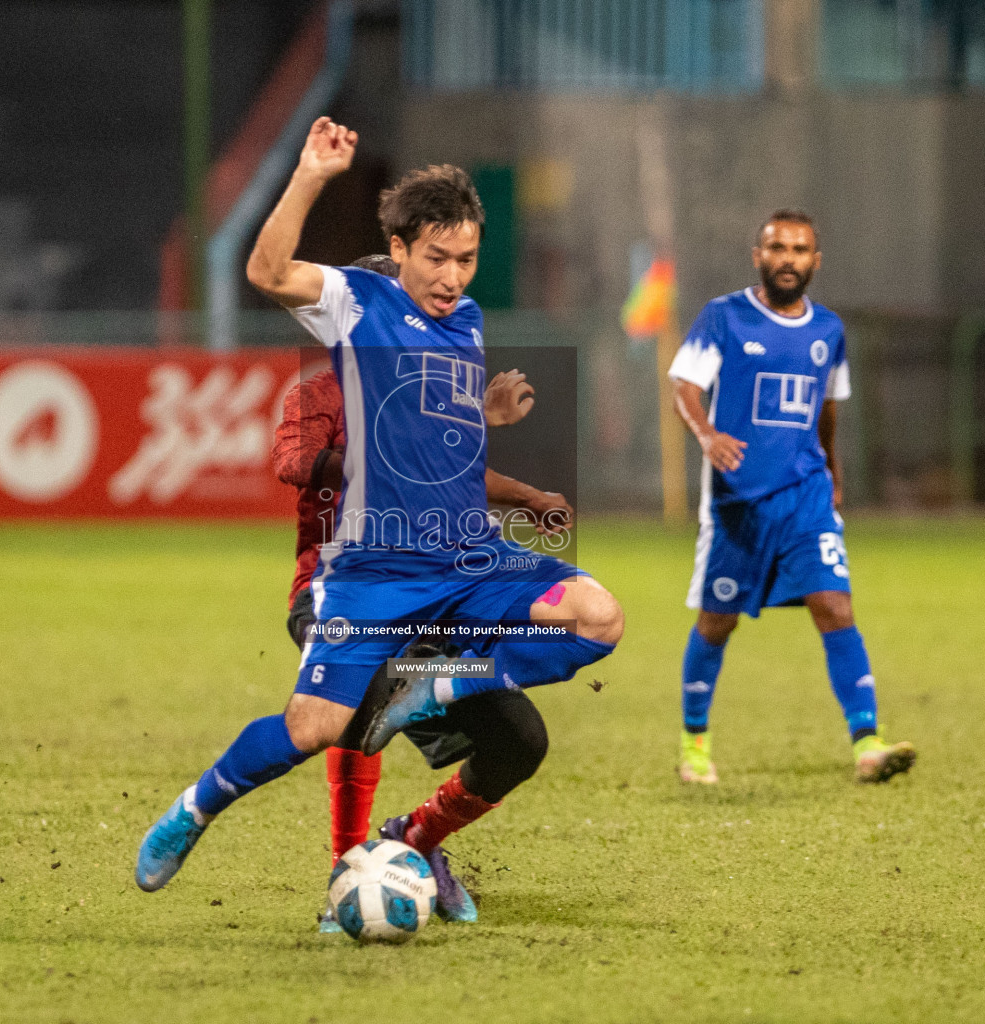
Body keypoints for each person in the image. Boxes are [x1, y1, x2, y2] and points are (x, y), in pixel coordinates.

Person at [135, 117, 623, 899]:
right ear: (398, 251)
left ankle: (430, 711)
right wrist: (310, 174)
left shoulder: (466, 323)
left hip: (469, 560)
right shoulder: (356, 303)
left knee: (599, 616)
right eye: (436, 258)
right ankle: (196, 808)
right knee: (315, 729)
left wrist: (491, 437)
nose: (453, 276)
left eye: (466, 259)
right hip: (377, 572)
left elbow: (440, 447)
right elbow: (265, 271)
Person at [272, 252, 575, 927]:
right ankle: (347, 868)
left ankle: (413, 840)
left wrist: (526, 499)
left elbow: (464, 473)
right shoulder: (319, 395)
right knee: (362, 679)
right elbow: (291, 461)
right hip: (335, 594)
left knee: (519, 740)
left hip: (433, 599)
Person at [668, 209, 914, 785]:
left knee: (835, 607)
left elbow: (827, 406)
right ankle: (694, 743)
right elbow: (683, 385)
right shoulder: (724, 317)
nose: (788, 259)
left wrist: (833, 473)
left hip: (806, 495)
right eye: (777, 248)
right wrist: (706, 436)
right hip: (738, 504)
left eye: (800, 250)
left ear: (815, 261)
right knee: (716, 621)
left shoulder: (829, 330)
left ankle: (868, 744)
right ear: (758, 256)